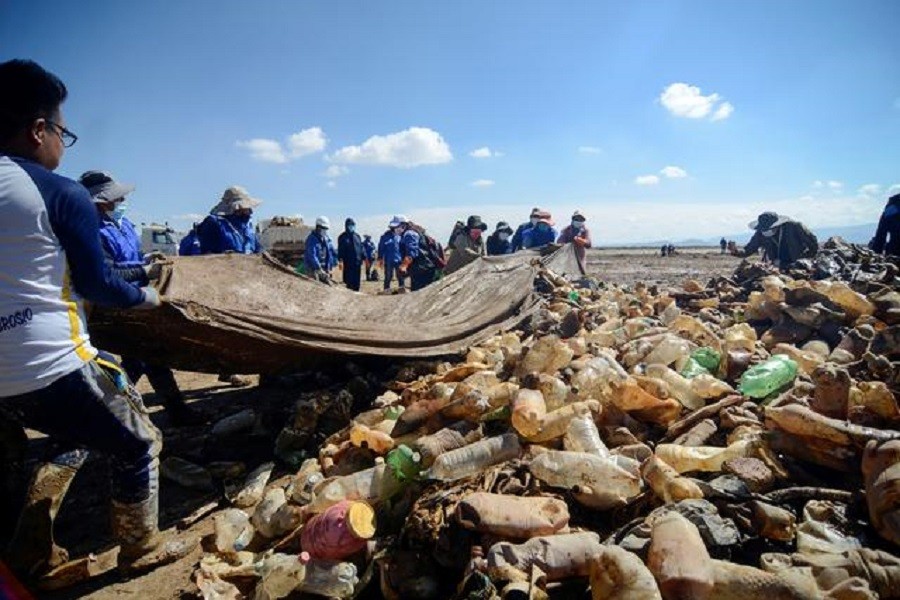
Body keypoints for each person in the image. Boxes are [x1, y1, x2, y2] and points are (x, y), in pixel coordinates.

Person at [0, 59, 192, 577]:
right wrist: (148, 298)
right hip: (47, 361)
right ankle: (140, 547)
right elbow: (96, 283)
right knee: (139, 441)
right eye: (63, 131)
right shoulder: (58, 192)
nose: (63, 144)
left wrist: (139, 268)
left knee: (74, 434)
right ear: (39, 129)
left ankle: (32, 545)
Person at [79, 170, 200, 425]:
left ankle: (174, 411)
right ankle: (111, 413)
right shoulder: (89, 229)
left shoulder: (121, 225)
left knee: (149, 358)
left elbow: (128, 257)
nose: (120, 203)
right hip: (115, 304)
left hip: (136, 299)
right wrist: (143, 270)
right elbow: (106, 273)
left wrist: (145, 261)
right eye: (114, 199)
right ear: (100, 201)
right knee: (141, 359)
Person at [737, 211, 818, 268]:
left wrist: (802, 259)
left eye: (769, 229)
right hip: (776, 266)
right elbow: (749, 249)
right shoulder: (760, 233)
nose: (766, 232)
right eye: (764, 230)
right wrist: (735, 251)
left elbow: (813, 244)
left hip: (796, 265)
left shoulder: (794, 227)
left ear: (777, 225)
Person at [196, 186, 263, 254]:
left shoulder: (248, 226)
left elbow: (257, 250)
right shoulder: (214, 223)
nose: (250, 211)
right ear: (237, 208)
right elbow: (207, 253)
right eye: (246, 207)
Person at [397, 216, 441, 291]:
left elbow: (412, 251)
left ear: (403, 225)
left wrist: (404, 265)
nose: (394, 229)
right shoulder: (417, 232)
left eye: (395, 227)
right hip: (427, 267)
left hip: (421, 269)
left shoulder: (409, 234)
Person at [304, 216, 337, 283]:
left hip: (325, 269)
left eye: (326, 228)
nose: (325, 230)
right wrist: (318, 268)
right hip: (313, 269)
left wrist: (334, 262)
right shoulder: (312, 239)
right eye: (323, 228)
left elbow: (331, 252)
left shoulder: (327, 239)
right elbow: (312, 255)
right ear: (318, 227)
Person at [378, 216, 405, 290]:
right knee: (388, 276)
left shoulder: (400, 237)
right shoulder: (384, 237)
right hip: (388, 260)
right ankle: (386, 289)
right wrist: (380, 258)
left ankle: (402, 288)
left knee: (400, 276)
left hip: (399, 260)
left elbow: (403, 249)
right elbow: (381, 248)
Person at [337, 217, 364, 291]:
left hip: (357, 263)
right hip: (348, 264)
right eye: (350, 225)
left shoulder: (357, 236)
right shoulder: (342, 237)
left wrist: (365, 257)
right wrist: (340, 261)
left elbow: (361, 248)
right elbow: (340, 250)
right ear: (346, 226)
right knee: (349, 283)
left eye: (353, 225)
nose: (352, 226)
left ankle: (357, 292)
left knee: (357, 282)